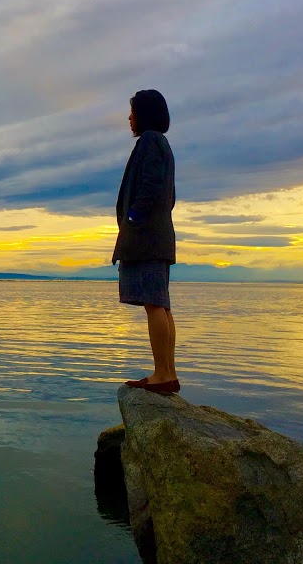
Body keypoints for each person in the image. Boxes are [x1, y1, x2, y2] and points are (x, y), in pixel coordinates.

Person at [112, 89, 179, 394]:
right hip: (156, 236)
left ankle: (162, 374)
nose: (129, 117)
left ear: (145, 113)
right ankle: (168, 372)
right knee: (160, 305)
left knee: (155, 304)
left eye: (133, 111)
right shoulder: (159, 143)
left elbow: (151, 185)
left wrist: (134, 218)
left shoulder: (151, 141)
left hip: (148, 238)